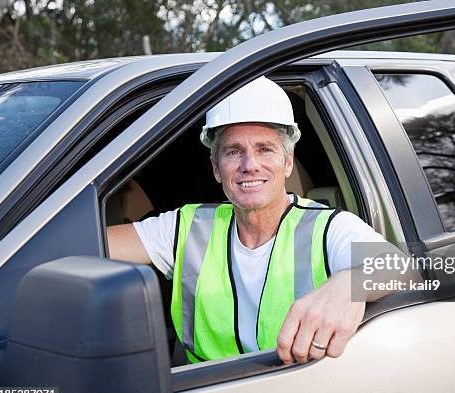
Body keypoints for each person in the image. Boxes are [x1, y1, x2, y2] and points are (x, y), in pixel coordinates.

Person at [107, 76, 390, 365]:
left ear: (288, 162)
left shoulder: (328, 227)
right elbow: (88, 242)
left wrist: (347, 285)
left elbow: (402, 268)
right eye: (234, 152)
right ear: (217, 168)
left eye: (264, 149)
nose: (249, 165)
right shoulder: (186, 226)